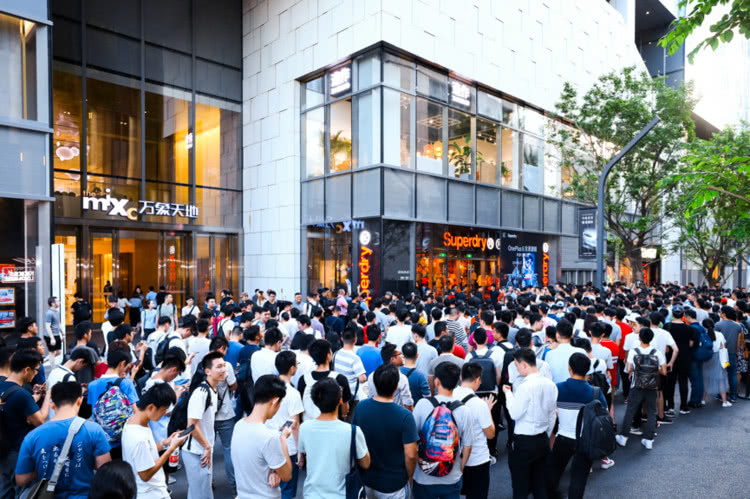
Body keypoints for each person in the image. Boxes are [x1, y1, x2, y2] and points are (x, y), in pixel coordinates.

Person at [547, 353, 609, 499]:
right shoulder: (595, 392)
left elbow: (549, 409)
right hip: (585, 440)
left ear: (569, 368)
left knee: (553, 475)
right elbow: (604, 412)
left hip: (562, 438)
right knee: (579, 480)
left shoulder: (558, 388)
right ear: (587, 370)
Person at [353, 363, 418, 499]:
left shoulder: (361, 408)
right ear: (396, 386)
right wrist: (409, 477)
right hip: (394, 484)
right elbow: (411, 455)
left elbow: (354, 440)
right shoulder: (405, 416)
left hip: (366, 480)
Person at [298, 378, 370, 499]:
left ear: (315, 401)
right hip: (343, 495)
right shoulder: (352, 431)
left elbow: (303, 455)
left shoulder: (304, 428)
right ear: (340, 399)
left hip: (312, 494)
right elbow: (365, 463)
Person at [412, 362, 474, 499]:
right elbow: (468, 446)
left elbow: (412, 440)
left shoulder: (422, 404)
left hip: (423, 477)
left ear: (437, 381)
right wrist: (460, 468)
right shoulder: (464, 410)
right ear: (457, 382)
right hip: (451, 476)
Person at [504, 348, 557, 499]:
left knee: (520, 487)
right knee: (540, 485)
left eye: (516, 365)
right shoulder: (551, 385)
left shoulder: (524, 386)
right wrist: (546, 435)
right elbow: (552, 415)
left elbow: (514, 414)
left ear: (524, 365)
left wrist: (508, 394)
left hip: (524, 441)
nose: (516, 368)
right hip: (542, 439)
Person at [231, 374, 293, 499]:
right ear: (275, 401)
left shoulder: (239, 425)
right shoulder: (270, 437)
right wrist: (282, 440)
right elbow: (287, 475)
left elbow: (256, 459)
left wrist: (274, 470)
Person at [122, 382, 188, 499]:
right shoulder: (139, 437)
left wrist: (165, 443)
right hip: (151, 493)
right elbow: (145, 475)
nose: (164, 413)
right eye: (163, 410)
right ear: (151, 407)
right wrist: (171, 449)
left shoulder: (132, 422)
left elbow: (147, 451)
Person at [0, 349, 50, 499]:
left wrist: (36, 396)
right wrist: (48, 396)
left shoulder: (3, 386)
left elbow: (17, 405)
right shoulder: (21, 394)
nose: (36, 374)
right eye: (36, 370)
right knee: (22, 492)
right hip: (19, 451)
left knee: (5, 492)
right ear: (27, 370)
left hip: (3, 448)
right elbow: (40, 420)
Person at [183, 351, 226, 499]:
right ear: (207, 371)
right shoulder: (201, 392)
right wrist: (206, 446)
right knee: (200, 494)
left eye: (224, 365)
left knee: (202, 492)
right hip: (196, 450)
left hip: (203, 448)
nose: (223, 369)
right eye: (219, 366)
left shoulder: (213, 389)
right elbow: (191, 425)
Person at [616, 328, 667, 450]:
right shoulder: (657, 353)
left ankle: (623, 437)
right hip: (652, 386)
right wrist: (654, 369)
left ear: (639, 338)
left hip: (636, 385)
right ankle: (649, 439)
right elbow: (664, 372)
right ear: (651, 339)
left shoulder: (634, 352)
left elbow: (628, 369)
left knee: (630, 411)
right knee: (651, 412)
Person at [87, 348, 140, 460]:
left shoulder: (92, 385)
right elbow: (136, 412)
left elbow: (94, 412)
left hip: (100, 440)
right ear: (122, 363)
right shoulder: (126, 383)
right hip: (122, 440)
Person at [453, 363, 496, 499]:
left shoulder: (450, 395)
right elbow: (490, 434)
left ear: (461, 377)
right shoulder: (479, 404)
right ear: (478, 380)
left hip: (453, 458)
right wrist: (488, 410)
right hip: (476, 460)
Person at [265, 352, 304, 499]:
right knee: (287, 487)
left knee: (270, 485)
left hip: (268, 441)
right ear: (292, 368)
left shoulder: (267, 389)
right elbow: (295, 424)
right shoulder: (293, 393)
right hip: (288, 446)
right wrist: (300, 450)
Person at [298, 340, 352, 421]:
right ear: (328, 355)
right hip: (333, 423)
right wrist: (344, 416)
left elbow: (301, 405)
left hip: (308, 423)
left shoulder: (303, 379)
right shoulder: (340, 379)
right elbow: (345, 407)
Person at [664, 306, 697, 415]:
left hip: (670, 357)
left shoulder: (667, 326)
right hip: (685, 357)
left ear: (672, 314)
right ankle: (684, 406)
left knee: (670, 382)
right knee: (683, 381)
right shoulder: (689, 328)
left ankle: (670, 406)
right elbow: (691, 344)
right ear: (683, 315)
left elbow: (666, 344)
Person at [366, 343, 414, 411]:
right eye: (400, 354)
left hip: (376, 412)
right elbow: (408, 405)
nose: (403, 356)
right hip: (396, 414)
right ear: (392, 359)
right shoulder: (401, 378)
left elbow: (370, 397)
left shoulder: (372, 375)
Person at [332, 328, 367, 416]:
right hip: (351, 394)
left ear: (342, 339)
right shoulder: (355, 358)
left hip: (338, 392)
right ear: (355, 339)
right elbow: (362, 378)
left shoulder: (335, 354)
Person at [702, 318, 732, 407]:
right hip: (718, 357)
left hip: (706, 358)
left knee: (705, 379)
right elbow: (723, 347)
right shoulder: (719, 334)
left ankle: (703, 400)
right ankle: (724, 401)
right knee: (721, 379)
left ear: (703, 326)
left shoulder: (702, 334)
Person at [546, 319, 586, 383]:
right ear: (572, 335)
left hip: (556, 388)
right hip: (577, 387)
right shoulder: (581, 352)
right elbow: (587, 376)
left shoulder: (549, 354)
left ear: (557, 335)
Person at [715, 307, 742, 402]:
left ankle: (720, 394)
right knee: (732, 374)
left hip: (720, 353)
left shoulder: (718, 325)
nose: (720, 313)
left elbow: (716, 340)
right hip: (732, 353)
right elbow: (738, 341)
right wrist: (737, 351)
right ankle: (733, 395)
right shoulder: (738, 326)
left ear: (724, 314)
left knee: (721, 374)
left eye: (721, 312)